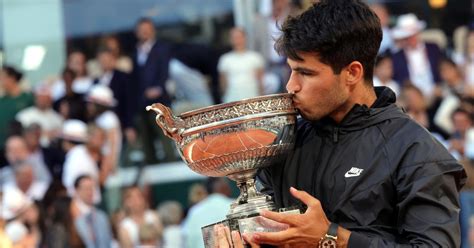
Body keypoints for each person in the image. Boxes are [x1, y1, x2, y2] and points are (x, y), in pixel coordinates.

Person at [218, 1, 465, 247]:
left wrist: (333, 238)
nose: (291, 86)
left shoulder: (416, 150)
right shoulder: (286, 144)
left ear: (352, 73)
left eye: (306, 73)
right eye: (291, 70)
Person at [218, 27, 265, 103]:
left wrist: (261, 99)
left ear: (245, 38)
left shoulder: (255, 57)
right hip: (231, 99)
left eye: (239, 37)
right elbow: (223, 84)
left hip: (253, 99)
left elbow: (261, 82)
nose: (237, 40)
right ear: (230, 40)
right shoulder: (225, 59)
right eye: (234, 37)